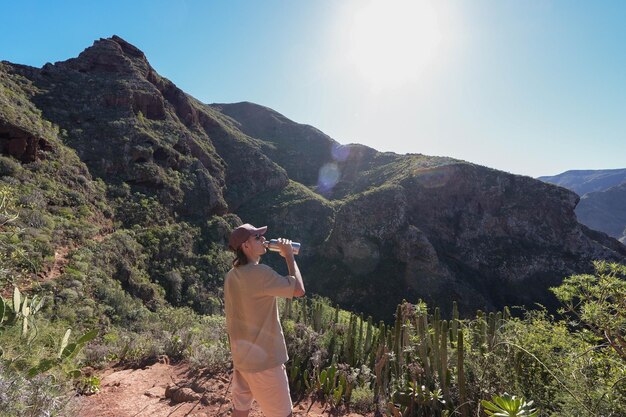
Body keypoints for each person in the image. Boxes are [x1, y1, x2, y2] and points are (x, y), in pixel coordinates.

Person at [224, 223, 305, 417]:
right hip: (265, 362)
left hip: (242, 358)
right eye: (257, 238)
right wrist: (289, 256)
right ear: (246, 246)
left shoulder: (231, 275)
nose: (263, 240)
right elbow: (299, 290)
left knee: (240, 410)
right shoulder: (261, 273)